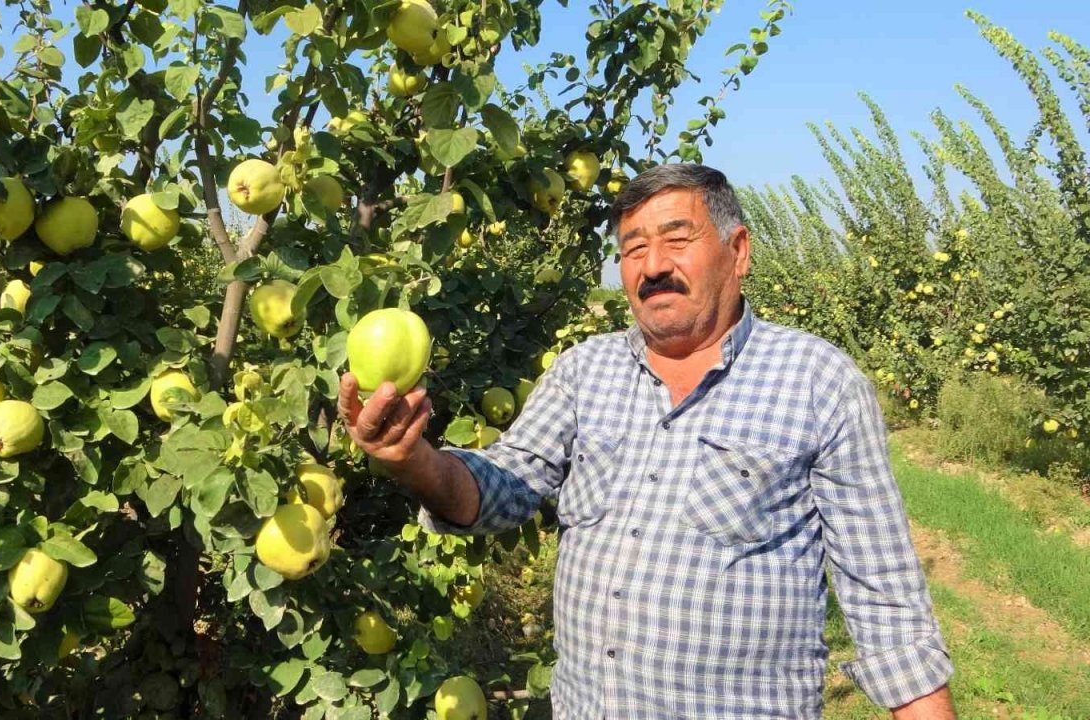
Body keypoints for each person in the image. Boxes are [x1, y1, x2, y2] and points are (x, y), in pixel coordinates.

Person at [337, 164, 955, 718]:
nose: (653, 265)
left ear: (737, 251)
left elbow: (885, 599)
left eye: (676, 241)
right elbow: (505, 486)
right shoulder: (585, 370)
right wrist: (414, 460)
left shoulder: (817, 381)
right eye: (633, 249)